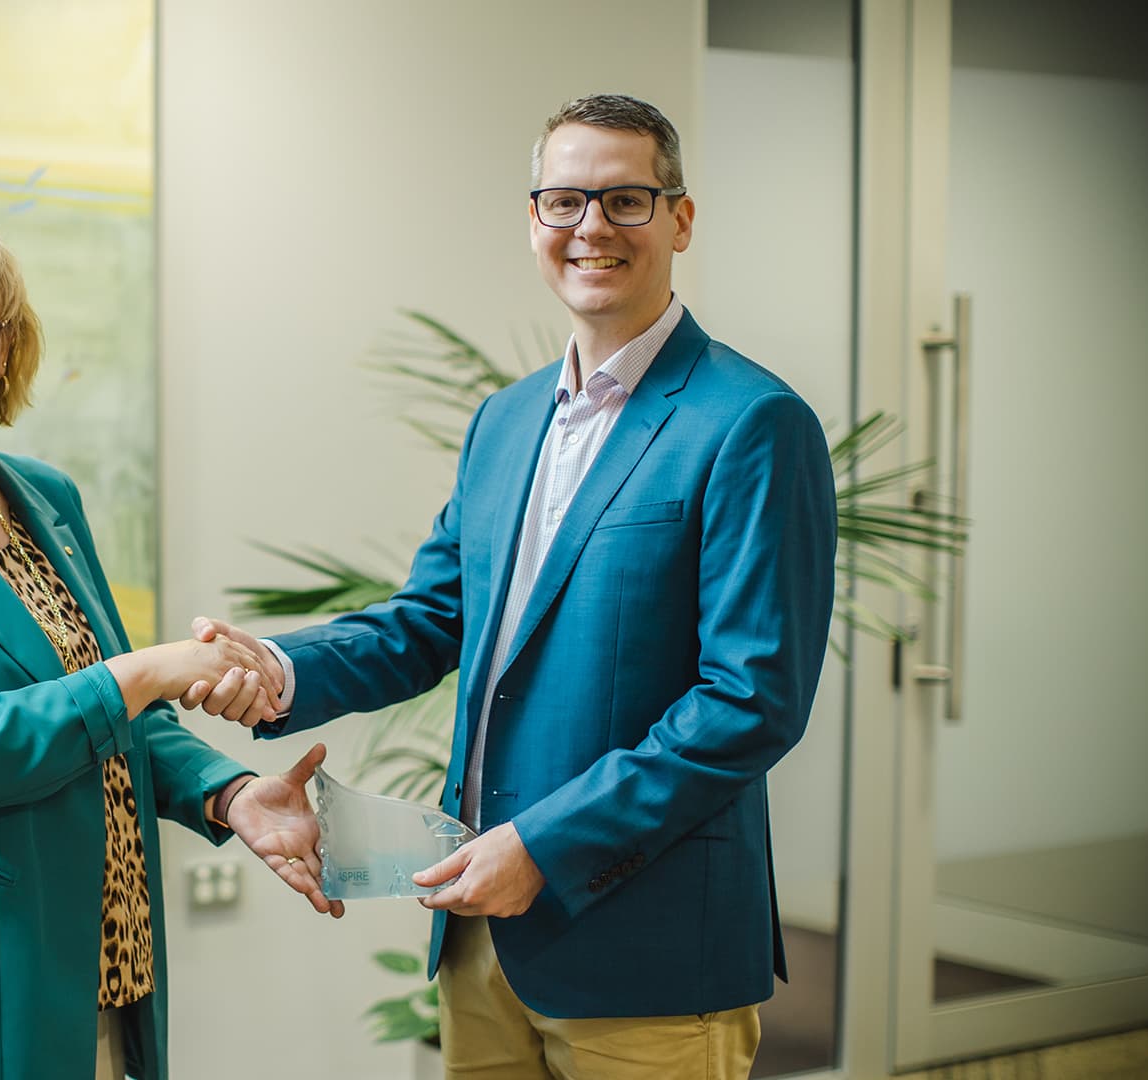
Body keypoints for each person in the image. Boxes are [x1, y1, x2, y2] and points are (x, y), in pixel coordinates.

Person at [191, 94, 837, 1079]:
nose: (592, 229)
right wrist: (279, 670)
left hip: (647, 956)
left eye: (626, 201)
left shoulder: (751, 422)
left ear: (681, 220)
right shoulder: (507, 420)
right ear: (534, 220)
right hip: (478, 944)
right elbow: (433, 619)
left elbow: (751, 702)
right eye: (565, 201)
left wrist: (544, 843)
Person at [0, 207, 338, 1080]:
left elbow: (116, 717)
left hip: (106, 953)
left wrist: (228, 794)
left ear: (7, 349)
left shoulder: (42, 501)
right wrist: (147, 669)